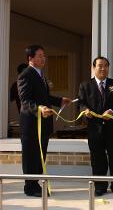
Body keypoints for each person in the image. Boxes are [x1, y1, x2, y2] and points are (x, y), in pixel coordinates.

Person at [17, 45, 71, 197]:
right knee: (31, 156)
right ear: (30, 58)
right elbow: (25, 100)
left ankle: (36, 183)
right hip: (31, 124)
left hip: (44, 123)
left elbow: (44, 97)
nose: (43, 58)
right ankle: (30, 186)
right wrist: (39, 109)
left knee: (40, 155)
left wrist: (60, 100)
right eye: (40, 56)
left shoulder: (41, 75)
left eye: (44, 55)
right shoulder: (25, 75)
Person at [78, 57, 113, 197]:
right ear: (94, 68)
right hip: (94, 129)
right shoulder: (85, 85)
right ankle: (100, 187)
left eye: (106, 66)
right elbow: (80, 103)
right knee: (97, 158)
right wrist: (85, 110)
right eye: (100, 66)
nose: (103, 68)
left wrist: (111, 112)